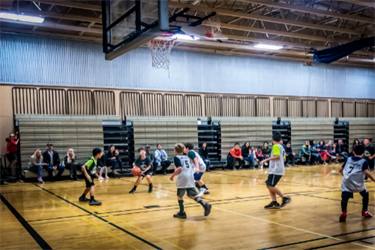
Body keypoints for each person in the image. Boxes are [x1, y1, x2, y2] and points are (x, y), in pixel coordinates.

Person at [170, 143, 212, 219]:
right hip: (190, 176)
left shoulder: (177, 158)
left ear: (175, 151)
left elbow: (179, 168)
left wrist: (172, 175)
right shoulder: (186, 157)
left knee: (180, 196)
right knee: (191, 195)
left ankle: (182, 212)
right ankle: (204, 204)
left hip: (182, 177)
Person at [339, 145, 374, 222]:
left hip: (346, 183)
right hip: (358, 183)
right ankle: (364, 211)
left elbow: (340, 170)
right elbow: (366, 172)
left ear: (353, 152)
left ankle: (344, 212)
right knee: (365, 194)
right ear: (364, 153)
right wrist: (374, 180)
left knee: (345, 197)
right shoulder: (364, 161)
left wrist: (344, 176)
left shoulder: (348, 159)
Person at [260, 132, 291, 209]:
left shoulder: (275, 146)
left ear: (272, 139)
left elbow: (278, 157)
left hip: (275, 169)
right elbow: (284, 159)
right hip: (277, 169)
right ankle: (274, 202)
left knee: (270, 185)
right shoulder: (281, 147)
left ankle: (284, 198)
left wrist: (266, 159)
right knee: (269, 185)